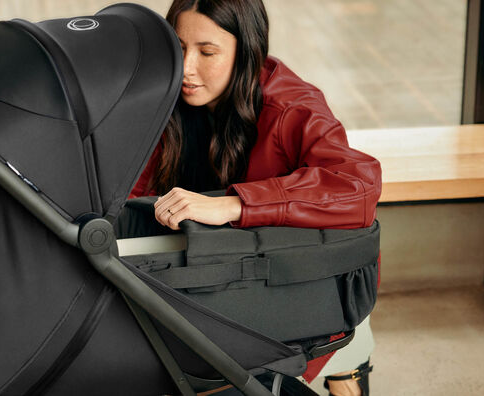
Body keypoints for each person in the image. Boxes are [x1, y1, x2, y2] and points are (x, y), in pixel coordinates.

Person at [129, 0, 382, 395]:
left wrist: (235, 204)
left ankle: (347, 361)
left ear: (246, 52)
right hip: (211, 270)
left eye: (207, 52)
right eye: (178, 48)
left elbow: (358, 186)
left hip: (293, 279)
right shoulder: (164, 97)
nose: (187, 68)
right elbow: (128, 196)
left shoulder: (291, 106)